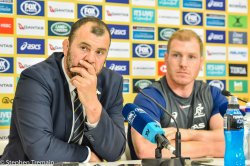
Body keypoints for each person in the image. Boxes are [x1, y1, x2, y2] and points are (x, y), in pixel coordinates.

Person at [1, 17, 126, 163]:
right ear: (66, 47)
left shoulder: (113, 83)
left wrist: (92, 104)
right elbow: (40, 150)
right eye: (84, 47)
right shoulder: (36, 79)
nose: (91, 59)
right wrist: (87, 156)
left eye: (99, 52)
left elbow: (115, 152)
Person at [128, 29, 228, 159]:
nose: (183, 64)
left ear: (201, 62)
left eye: (191, 57)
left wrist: (187, 135)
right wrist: (212, 147)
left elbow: (230, 138)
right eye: (176, 55)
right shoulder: (149, 97)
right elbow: (147, 150)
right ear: (166, 58)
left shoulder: (212, 94)